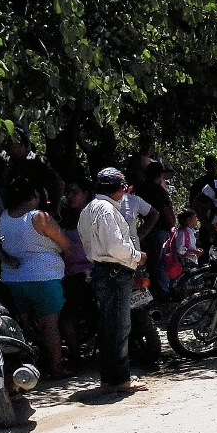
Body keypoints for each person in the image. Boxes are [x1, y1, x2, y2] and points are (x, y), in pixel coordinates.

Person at [0, 179, 73, 379]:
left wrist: (7, 259)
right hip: (44, 276)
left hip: (13, 279)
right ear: (32, 196)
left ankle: (35, 363)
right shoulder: (39, 217)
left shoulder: (0, 218)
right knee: (50, 324)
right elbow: (65, 244)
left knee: (26, 324)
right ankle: (56, 367)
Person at [79, 168, 147, 394]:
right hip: (114, 272)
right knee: (119, 327)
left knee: (108, 326)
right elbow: (115, 247)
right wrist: (137, 256)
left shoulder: (89, 209)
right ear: (119, 189)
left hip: (101, 271)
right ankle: (119, 379)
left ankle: (109, 378)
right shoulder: (107, 210)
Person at [58, 180, 96, 368]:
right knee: (67, 315)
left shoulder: (97, 213)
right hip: (73, 273)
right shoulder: (65, 216)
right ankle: (74, 355)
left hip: (96, 270)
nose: (69, 196)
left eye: (74, 191)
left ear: (86, 192)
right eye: (68, 192)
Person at [3, 127, 64, 218]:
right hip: (15, 213)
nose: (8, 149)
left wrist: (54, 209)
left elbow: (59, 183)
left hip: (39, 212)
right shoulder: (10, 164)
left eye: (11, 145)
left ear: (21, 145)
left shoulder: (38, 162)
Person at [138, 162, 176, 298]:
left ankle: (154, 291)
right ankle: (162, 292)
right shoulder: (156, 190)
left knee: (153, 262)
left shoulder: (142, 189)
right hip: (160, 230)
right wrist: (172, 226)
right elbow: (165, 210)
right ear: (160, 175)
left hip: (148, 231)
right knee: (161, 262)